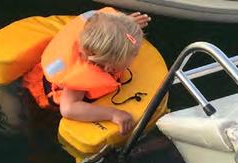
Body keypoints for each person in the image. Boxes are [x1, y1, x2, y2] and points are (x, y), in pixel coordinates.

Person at [22, 8, 150, 135]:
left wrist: (123, 26)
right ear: (109, 67)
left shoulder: (94, 43)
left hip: (51, 73)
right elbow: (68, 109)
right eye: (134, 53)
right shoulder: (79, 78)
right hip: (41, 102)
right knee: (37, 130)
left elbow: (107, 30)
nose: (136, 54)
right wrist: (113, 114)